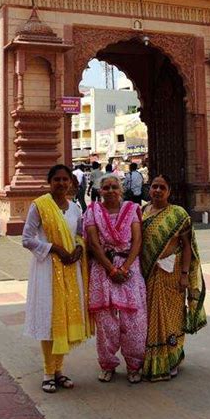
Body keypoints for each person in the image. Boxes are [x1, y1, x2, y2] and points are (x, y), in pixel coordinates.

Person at [22, 164, 92, 393]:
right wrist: (55, 249)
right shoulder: (40, 206)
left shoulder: (75, 209)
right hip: (48, 270)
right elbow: (27, 238)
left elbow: (79, 235)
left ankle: (59, 370)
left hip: (70, 269)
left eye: (65, 180)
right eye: (57, 180)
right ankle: (48, 373)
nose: (61, 184)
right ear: (49, 182)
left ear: (71, 182)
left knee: (64, 317)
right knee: (51, 318)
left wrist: (79, 249)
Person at [141, 174, 206, 382]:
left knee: (172, 316)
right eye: (154, 187)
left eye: (162, 187)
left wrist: (185, 275)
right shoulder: (142, 212)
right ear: (149, 190)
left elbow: (188, 247)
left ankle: (172, 358)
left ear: (169, 191)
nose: (157, 190)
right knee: (151, 317)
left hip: (173, 274)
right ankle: (152, 359)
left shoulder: (178, 214)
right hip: (148, 274)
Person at [84, 174, 147, 384]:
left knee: (134, 320)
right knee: (106, 322)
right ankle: (107, 364)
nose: (110, 191)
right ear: (99, 191)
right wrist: (111, 269)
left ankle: (134, 364)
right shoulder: (93, 211)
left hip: (129, 267)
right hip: (104, 268)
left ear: (121, 190)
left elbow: (137, 240)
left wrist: (126, 267)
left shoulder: (131, 209)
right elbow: (93, 243)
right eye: (106, 188)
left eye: (114, 187)